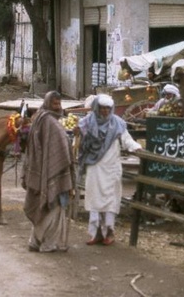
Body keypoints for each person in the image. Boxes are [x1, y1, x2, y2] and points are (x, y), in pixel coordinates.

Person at [74, 94, 142, 246]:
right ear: (97, 108)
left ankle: (110, 232)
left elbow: (127, 140)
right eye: (102, 108)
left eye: (108, 108)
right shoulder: (86, 122)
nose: (105, 111)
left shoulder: (118, 123)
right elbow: (78, 141)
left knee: (110, 200)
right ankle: (96, 233)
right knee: (94, 199)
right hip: (94, 166)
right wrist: (77, 133)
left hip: (111, 167)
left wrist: (136, 148)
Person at [22, 91, 73, 253]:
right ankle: (48, 243)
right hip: (53, 173)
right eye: (54, 104)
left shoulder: (40, 117)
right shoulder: (50, 122)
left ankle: (34, 241)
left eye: (59, 104)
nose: (57, 107)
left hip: (40, 170)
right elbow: (61, 151)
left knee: (41, 207)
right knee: (52, 209)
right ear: (47, 104)